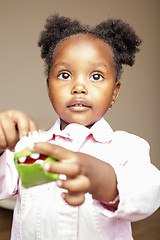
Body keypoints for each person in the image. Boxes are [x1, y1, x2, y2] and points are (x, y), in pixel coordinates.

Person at [0, 15, 160, 240]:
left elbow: (149, 193)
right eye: (65, 75)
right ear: (49, 87)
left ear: (114, 91)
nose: (79, 87)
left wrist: (105, 180)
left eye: (96, 76)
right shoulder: (32, 146)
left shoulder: (126, 148)